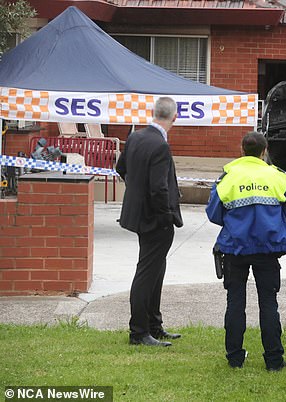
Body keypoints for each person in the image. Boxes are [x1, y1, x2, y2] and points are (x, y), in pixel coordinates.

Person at [206, 131, 286, 371]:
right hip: (268, 250)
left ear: (241, 150)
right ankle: (274, 360)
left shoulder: (228, 177)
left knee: (235, 303)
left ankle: (235, 358)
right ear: (264, 151)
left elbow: (213, 214)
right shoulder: (278, 177)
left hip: (235, 249)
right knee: (269, 303)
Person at [116, 97, 183, 347]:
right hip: (156, 219)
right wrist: (165, 217)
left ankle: (154, 324)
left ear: (153, 113)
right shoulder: (160, 146)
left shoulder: (135, 137)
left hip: (140, 216)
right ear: (174, 117)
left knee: (156, 269)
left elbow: (120, 167)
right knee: (147, 273)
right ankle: (139, 332)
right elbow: (158, 189)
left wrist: (135, 191)